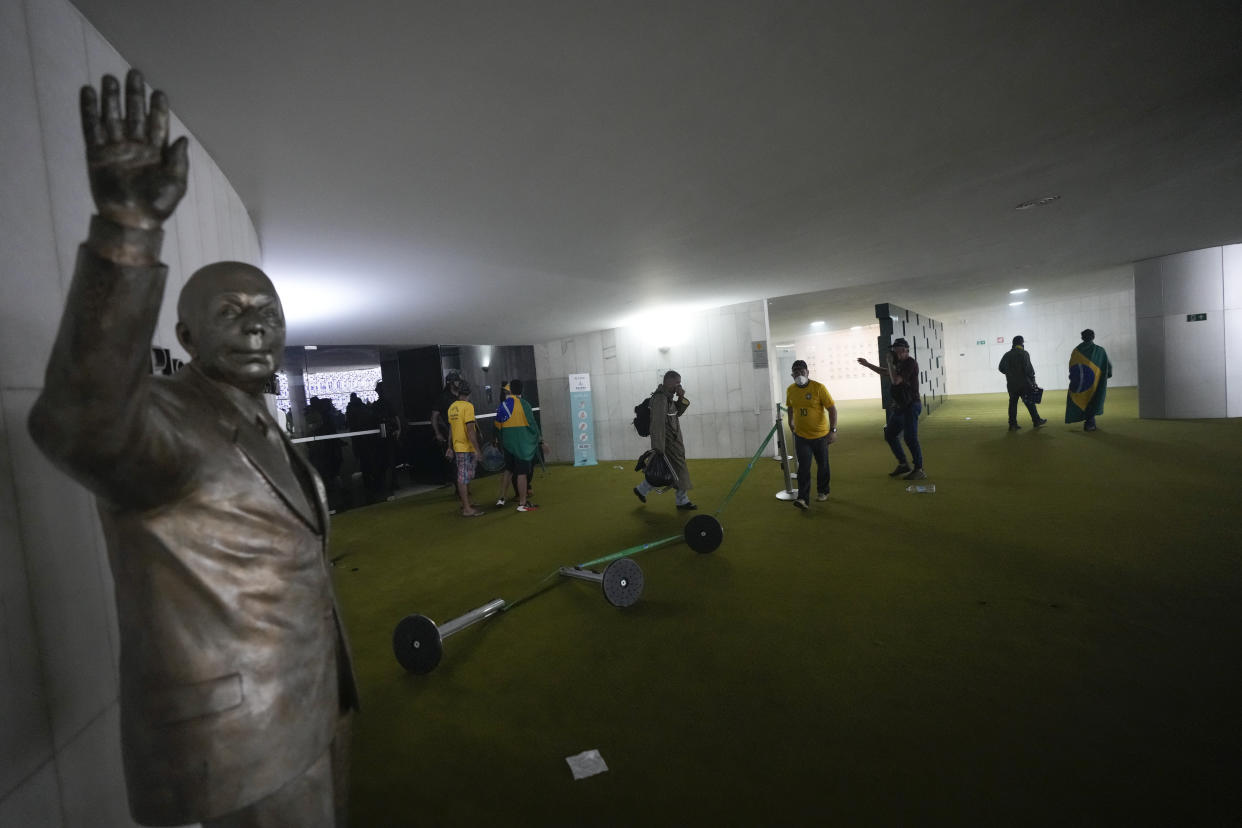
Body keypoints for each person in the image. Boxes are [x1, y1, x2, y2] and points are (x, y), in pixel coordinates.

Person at [27, 72, 357, 827]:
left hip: (319, 708)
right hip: (237, 750)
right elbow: (78, 423)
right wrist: (127, 227)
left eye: (268, 312)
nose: (256, 325)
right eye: (231, 312)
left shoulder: (263, 419)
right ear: (186, 337)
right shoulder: (169, 422)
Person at [858, 337, 927, 480]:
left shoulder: (910, 363)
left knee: (910, 437)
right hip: (901, 406)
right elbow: (886, 372)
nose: (893, 352)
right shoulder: (899, 363)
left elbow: (896, 380)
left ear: (904, 350)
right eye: (893, 350)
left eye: (896, 350)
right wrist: (868, 364)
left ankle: (919, 469)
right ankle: (903, 464)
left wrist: (889, 362)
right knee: (890, 434)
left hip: (911, 406)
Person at [633, 370, 697, 510]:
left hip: (673, 443)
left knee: (664, 472)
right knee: (679, 471)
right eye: (677, 383)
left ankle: (641, 489)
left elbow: (676, 413)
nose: (679, 385)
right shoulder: (660, 399)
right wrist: (658, 448)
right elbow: (657, 424)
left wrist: (681, 398)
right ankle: (682, 501)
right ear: (668, 382)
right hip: (668, 445)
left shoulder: (667, 398)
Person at [785, 360, 838, 509]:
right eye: (796, 372)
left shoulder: (819, 388)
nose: (799, 375)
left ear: (808, 372)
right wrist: (790, 422)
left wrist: (833, 430)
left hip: (820, 436)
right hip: (801, 437)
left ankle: (823, 491)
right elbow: (790, 407)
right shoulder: (790, 390)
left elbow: (832, 409)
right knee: (803, 468)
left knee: (823, 465)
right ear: (792, 375)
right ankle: (803, 498)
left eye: (802, 372)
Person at [494, 379, 548, 512]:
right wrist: (540, 441)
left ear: (510, 390)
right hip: (522, 445)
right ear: (521, 390)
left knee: (508, 470)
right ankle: (522, 503)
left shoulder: (503, 406)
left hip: (508, 444)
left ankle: (501, 498)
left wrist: (500, 441)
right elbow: (532, 424)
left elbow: (497, 426)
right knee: (522, 473)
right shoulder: (525, 404)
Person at [447, 380, 485, 516]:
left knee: (466, 476)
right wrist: (477, 449)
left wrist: (449, 446)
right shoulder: (468, 406)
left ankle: (467, 503)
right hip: (466, 447)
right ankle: (467, 509)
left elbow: (451, 428)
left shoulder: (452, 407)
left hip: (458, 446)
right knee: (463, 477)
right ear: (469, 393)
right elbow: (470, 430)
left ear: (458, 392)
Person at [1066, 328, 1113, 432]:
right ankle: (1090, 424)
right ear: (1093, 337)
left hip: (1081, 382)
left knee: (1084, 400)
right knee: (1093, 400)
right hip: (1095, 382)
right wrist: (1106, 376)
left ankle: (1089, 422)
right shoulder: (1100, 350)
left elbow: (1072, 366)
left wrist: (1074, 379)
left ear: (1082, 338)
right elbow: (1107, 366)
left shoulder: (1076, 351)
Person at [998, 335, 1047, 430]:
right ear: (1021, 343)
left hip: (1012, 384)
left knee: (1013, 404)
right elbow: (1029, 370)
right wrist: (1033, 381)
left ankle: (1012, 424)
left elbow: (1001, 368)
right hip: (1024, 384)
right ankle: (1036, 421)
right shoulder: (1024, 353)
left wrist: (1009, 374)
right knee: (1029, 402)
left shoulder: (1007, 355)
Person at [430, 370, 462, 485]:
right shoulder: (443, 397)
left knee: (463, 462)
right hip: (450, 433)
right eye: (456, 380)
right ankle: (460, 490)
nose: (459, 383)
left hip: (462, 432)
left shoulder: (461, 395)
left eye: (459, 380)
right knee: (455, 462)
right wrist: (438, 433)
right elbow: (434, 417)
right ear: (451, 382)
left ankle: (462, 488)